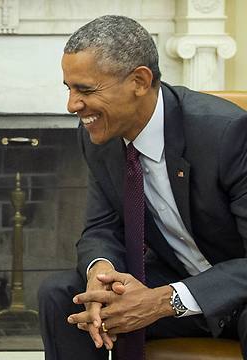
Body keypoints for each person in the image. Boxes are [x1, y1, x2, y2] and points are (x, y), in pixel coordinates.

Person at [38, 14, 247, 359]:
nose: (72, 105)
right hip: (176, 282)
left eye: (86, 90)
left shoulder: (227, 134)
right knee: (64, 294)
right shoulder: (99, 137)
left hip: (236, 293)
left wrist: (164, 301)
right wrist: (101, 272)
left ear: (139, 80)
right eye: (69, 89)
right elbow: (99, 228)